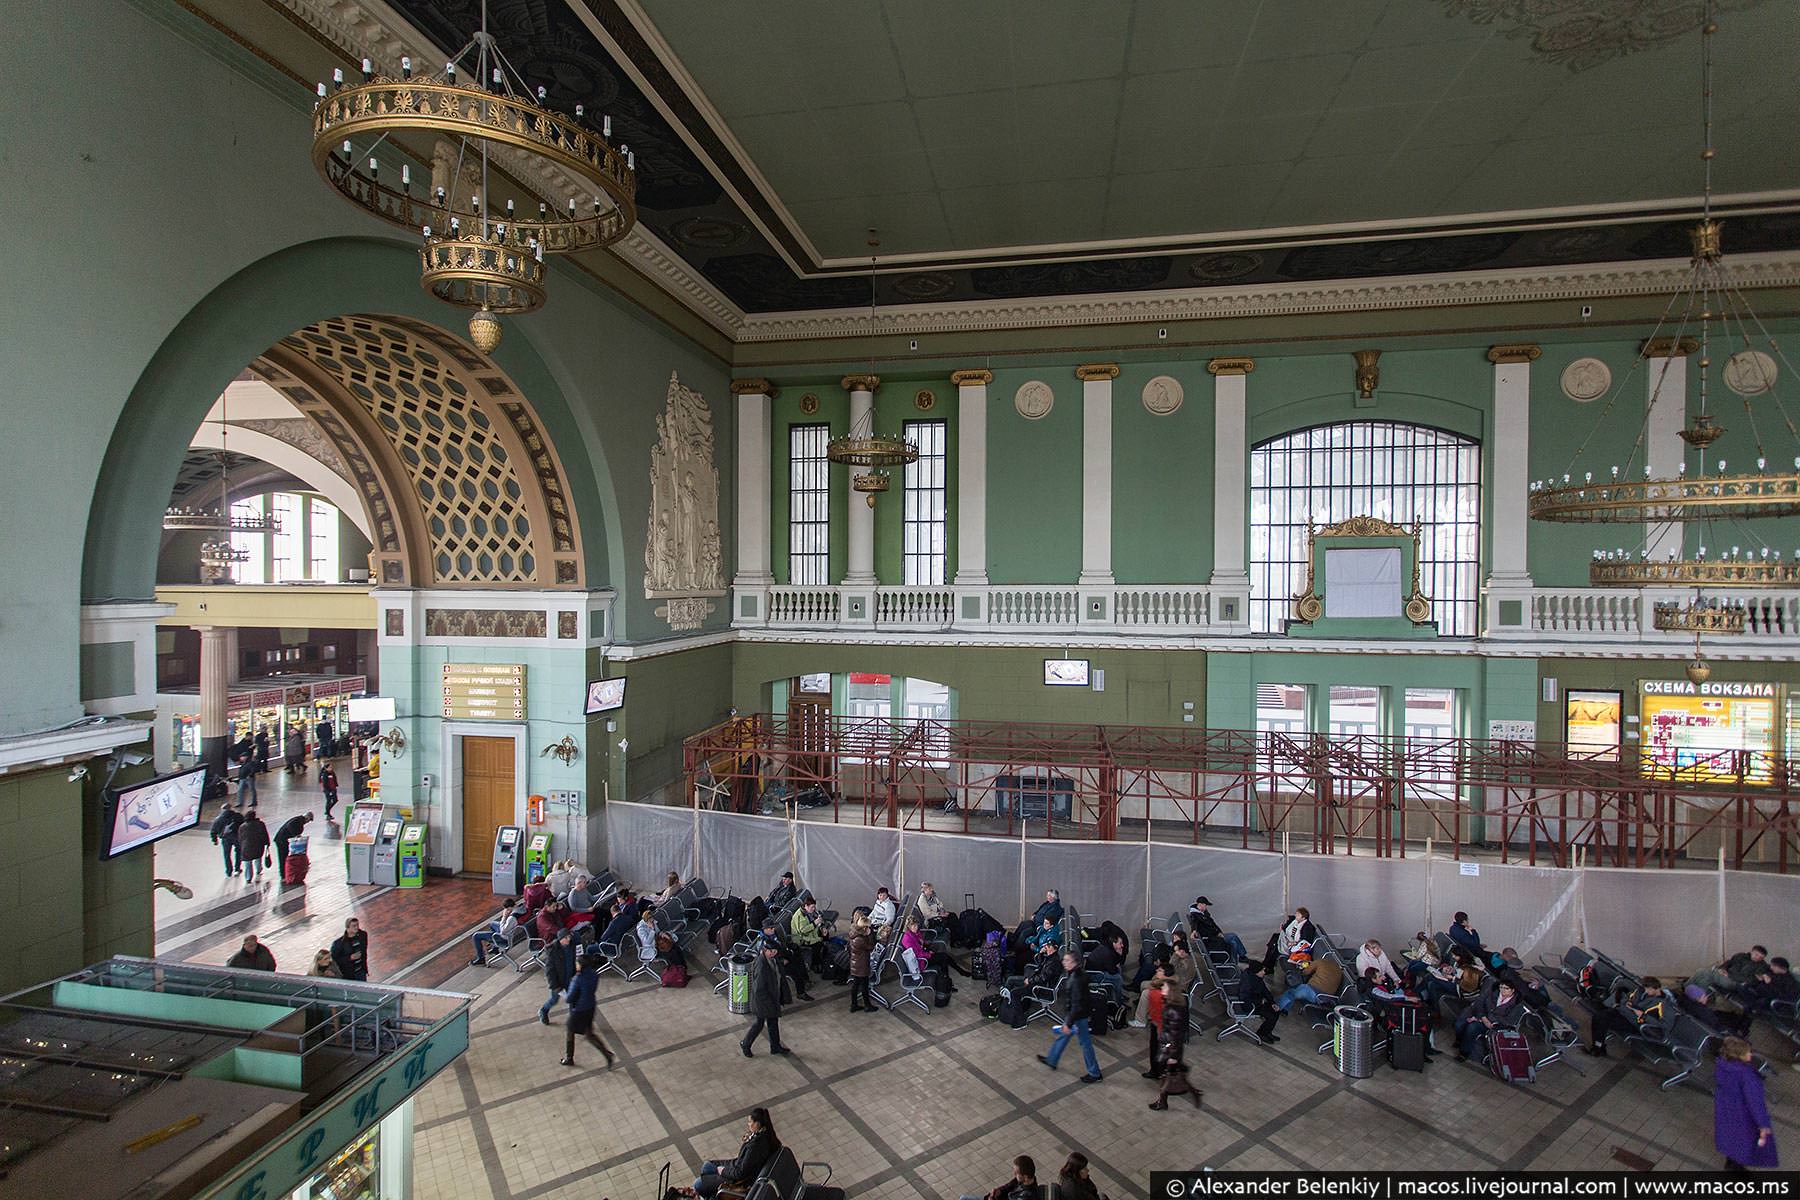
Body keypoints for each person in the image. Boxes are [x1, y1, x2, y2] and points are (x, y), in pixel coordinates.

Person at [1715, 1036, 1779, 1171]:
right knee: (1745, 1141)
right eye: (1747, 1052)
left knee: (1732, 1136)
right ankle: (1736, 1169)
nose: (1750, 1054)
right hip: (1743, 1114)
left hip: (1726, 1108)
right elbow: (1755, 1102)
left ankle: (1731, 1162)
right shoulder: (1746, 1075)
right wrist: (1762, 1124)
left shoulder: (1722, 1065)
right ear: (1739, 1056)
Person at [1037, 950, 1102, 1082]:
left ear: (1075, 963)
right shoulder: (1077, 975)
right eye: (1064, 960)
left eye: (1067, 961)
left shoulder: (1076, 979)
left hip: (1078, 1016)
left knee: (1085, 1044)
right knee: (1064, 1036)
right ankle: (1052, 1059)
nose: (1064, 962)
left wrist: (1069, 1023)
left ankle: (1095, 1073)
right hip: (1077, 1014)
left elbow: (1077, 1004)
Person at [689, 1110, 779, 1198]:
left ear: (757, 1124)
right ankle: (711, 1187)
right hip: (738, 1166)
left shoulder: (755, 1147)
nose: (748, 1124)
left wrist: (722, 1171)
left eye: (750, 1121)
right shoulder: (764, 1136)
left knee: (698, 1183)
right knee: (706, 1166)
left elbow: (740, 1173)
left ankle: (712, 1193)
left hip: (738, 1179)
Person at [1585, 975, 1677, 1057]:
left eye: (1648, 989)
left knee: (1602, 1020)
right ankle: (1598, 1046)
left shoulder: (1664, 1005)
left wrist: (1643, 1016)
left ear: (1656, 989)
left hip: (1635, 1023)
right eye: (1645, 988)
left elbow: (1665, 1025)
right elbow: (1629, 997)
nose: (1646, 991)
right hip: (1624, 1012)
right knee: (1598, 1017)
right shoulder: (1641, 991)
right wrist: (1627, 1003)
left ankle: (1598, 1047)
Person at [1148, 980, 1200, 1110]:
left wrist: (1172, 1055)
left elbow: (1175, 1035)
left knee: (1168, 1076)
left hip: (1170, 1049)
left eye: (1164, 986)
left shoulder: (1172, 1010)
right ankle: (1164, 1101)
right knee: (1169, 1076)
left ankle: (1163, 1101)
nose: (1162, 988)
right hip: (1170, 1048)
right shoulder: (1175, 1005)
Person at [560, 945, 615, 1068]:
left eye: (577, 963)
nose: (576, 965)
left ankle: (569, 1057)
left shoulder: (577, 979)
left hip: (579, 1009)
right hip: (590, 1006)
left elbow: (569, 998)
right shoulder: (594, 974)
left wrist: (564, 993)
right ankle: (607, 1054)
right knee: (589, 1033)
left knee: (571, 1030)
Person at [1456, 979, 1525, 1062]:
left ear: (1513, 990)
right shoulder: (1493, 993)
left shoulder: (1517, 1004)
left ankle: (1464, 1052)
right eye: (1501, 987)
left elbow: (1509, 1021)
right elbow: (1479, 1002)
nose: (1502, 990)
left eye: (1506, 988)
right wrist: (1483, 1017)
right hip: (1482, 1016)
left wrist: (1489, 1020)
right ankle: (1460, 1040)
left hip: (1495, 1025)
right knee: (1459, 1024)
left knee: (1472, 1028)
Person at [741, 939, 789, 1056]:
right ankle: (746, 1044)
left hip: (770, 998)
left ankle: (775, 1046)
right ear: (765, 950)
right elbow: (759, 989)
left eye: (775, 951)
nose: (774, 953)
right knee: (759, 1024)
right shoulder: (762, 965)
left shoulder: (770, 959)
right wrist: (770, 1003)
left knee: (772, 1022)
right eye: (772, 951)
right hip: (763, 1001)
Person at [1187, 896, 1249, 962]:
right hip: (1211, 939)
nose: (1206, 907)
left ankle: (1242, 956)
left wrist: (1219, 932)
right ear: (1200, 904)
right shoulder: (1195, 915)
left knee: (1233, 935)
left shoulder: (1204, 913)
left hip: (1215, 935)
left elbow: (1213, 924)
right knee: (1233, 941)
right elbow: (1194, 923)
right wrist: (1193, 931)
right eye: (1205, 905)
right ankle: (1235, 961)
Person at [1234, 961, 1282, 1042]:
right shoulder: (1248, 981)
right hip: (1250, 1005)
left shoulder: (1257, 978)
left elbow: (1265, 991)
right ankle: (1262, 1034)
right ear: (1256, 972)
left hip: (1258, 1002)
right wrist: (1259, 1001)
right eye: (1262, 970)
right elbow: (1244, 997)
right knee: (1271, 1016)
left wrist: (1272, 1002)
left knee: (1276, 1012)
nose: (1264, 972)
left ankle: (1267, 1032)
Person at [960, 1155, 1039, 1200]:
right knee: (963, 1198)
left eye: (1016, 1173)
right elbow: (1008, 1186)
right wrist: (999, 1191)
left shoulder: (1026, 1196)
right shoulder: (1023, 1180)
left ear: (1025, 1176)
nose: (1014, 1174)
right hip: (996, 1198)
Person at [471, 899, 519, 965]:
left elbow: (503, 931)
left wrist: (504, 917)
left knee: (476, 936)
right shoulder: (519, 910)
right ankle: (495, 948)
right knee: (492, 924)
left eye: (506, 909)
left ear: (510, 908)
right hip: (511, 932)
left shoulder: (512, 918)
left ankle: (481, 958)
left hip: (505, 937)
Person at [790, 895, 830, 973]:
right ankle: (816, 965)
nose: (814, 909)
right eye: (812, 907)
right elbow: (802, 931)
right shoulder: (799, 916)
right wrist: (815, 924)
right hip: (801, 938)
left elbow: (815, 922)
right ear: (806, 906)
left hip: (810, 933)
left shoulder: (809, 912)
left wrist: (822, 928)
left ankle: (824, 959)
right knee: (817, 944)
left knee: (825, 935)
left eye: (814, 907)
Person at [271, 811, 313, 881]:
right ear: (307, 818)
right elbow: (290, 826)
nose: (308, 822)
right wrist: (296, 835)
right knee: (282, 857)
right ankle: (283, 875)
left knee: (285, 856)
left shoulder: (299, 820)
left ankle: (285, 873)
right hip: (281, 840)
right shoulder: (298, 820)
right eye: (309, 820)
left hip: (284, 840)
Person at [848, 915, 876, 1013]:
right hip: (861, 965)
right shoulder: (860, 939)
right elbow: (870, 946)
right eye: (868, 927)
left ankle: (854, 1004)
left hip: (856, 964)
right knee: (864, 985)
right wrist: (870, 935)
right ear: (864, 928)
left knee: (856, 984)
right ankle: (867, 1005)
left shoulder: (855, 934)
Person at [236, 807, 270, 883]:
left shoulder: (242, 826)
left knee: (248, 862)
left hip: (246, 846)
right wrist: (267, 843)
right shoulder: (260, 824)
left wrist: (241, 845)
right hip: (258, 844)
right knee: (258, 858)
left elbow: (240, 837)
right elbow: (264, 834)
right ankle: (258, 870)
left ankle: (248, 877)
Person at [331, 917, 369, 981]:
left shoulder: (363, 935)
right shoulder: (339, 943)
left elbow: (364, 952)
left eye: (357, 925)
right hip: (349, 975)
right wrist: (350, 958)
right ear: (347, 927)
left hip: (361, 971)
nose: (356, 927)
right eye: (354, 926)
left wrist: (365, 969)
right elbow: (334, 960)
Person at [209, 804, 243, 876]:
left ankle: (229, 871)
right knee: (238, 851)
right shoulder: (237, 816)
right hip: (236, 837)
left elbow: (213, 831)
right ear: (230, 808)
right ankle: (237, 868)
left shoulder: (218, 819)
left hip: (225, 838)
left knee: (227, 854)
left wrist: (214, 840)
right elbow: (243, 826)